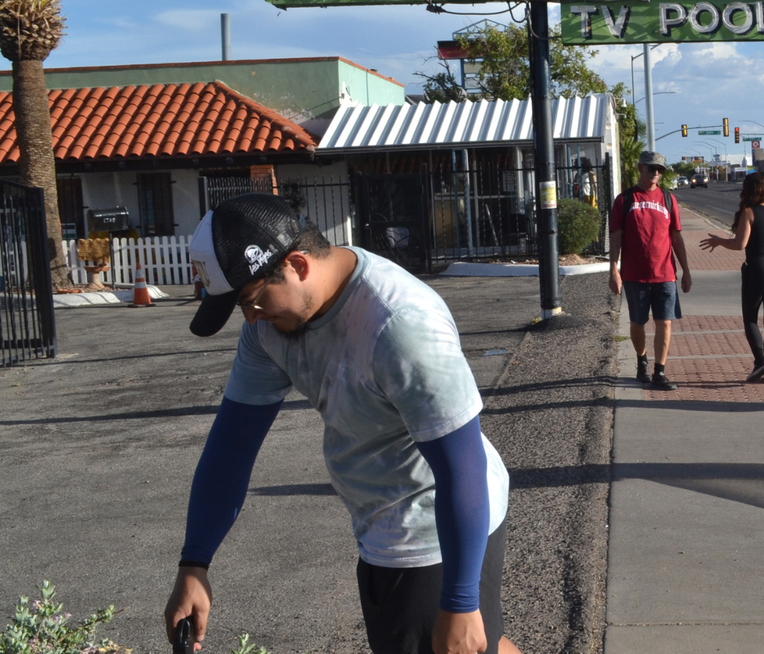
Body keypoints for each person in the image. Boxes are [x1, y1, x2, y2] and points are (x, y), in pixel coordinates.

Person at [164, 194, 520, 654]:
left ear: (297, 265)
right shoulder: (268, 328)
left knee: (463, 638)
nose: (250, 318)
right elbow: (232, 446)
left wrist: (461, 601)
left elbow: (461, 465)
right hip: (381, 523)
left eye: (251, 300)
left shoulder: (400, 324)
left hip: (439, 528)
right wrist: (194, 563)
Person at [699, 173, 764, 383]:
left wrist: (719, 241)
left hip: (757, 268)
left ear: (749, 189)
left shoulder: (749, 213)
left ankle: (760, 361)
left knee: (751, 318)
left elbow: (740, 244)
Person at [609, 151, 692, 391]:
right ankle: (642, 360)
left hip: (665, 274)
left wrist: (686, 270)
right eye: (652, 168)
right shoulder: (624, 200)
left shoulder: (668, 199)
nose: (656, 173)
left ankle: (660, 371)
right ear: (640, 168)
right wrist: (614, 270)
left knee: (664, 322)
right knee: (638, 322)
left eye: (660, 170)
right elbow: (616, 237)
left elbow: (676, 238)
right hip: (634, 274)